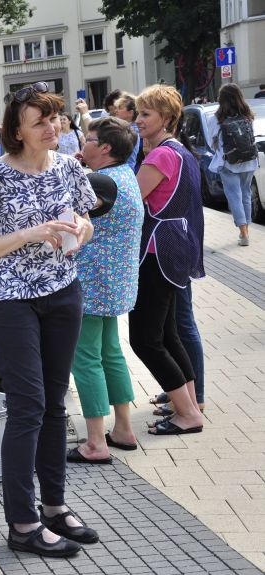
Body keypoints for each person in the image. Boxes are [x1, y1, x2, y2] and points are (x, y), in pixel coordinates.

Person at [0, 81, 97, 558]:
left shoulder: (67, 166)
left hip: (63, 292)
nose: (52, 127)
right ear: (17, 129)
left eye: (55, 117)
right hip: (9, 298)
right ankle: (22, 521)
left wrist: (80, 227)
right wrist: (30, 233)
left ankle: (54, 507)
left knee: (56, 403)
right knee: (28, 406)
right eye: (40, 121)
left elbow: (86, 219)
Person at [130, 84, 205, 436]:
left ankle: (188, 414)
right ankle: (188, 403)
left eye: (146, 114)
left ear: (167, 118)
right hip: (177, 248)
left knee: (145, 339)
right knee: (169, 333)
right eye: (139, 112)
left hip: (157, 250)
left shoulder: (160, 155)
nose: (139, 119)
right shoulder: (180, 151)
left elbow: (131, 199)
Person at [68, 118, 144, 463]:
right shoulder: (126, 175)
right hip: (116, 282)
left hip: (91, 282)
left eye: (90, 139)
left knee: (85, 359)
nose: (83, 142)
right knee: (111, 352)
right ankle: (123, 429)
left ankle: (96, 442)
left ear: (105, 148)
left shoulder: (97, 181)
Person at [208, 83, 258, 246]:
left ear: (221, 99)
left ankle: (243, 233)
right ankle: (246, 231)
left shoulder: (215, 118)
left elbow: (211, 143)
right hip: (249, 161)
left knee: (234, 196)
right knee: (246, 194)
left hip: (228, 163)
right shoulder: (248, 115)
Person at [113, 93, 143, 171]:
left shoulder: (131, 131)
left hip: (126, 172)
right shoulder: (133, 128)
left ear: (131, 113)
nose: (116, 111)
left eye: (120, 108)